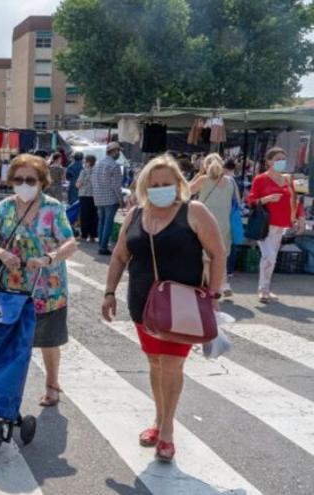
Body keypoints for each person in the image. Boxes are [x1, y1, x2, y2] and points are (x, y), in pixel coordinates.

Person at [102, 154, 225, 463]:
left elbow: (218, 253)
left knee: (171, 366)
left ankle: (167, 430)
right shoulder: (134, 215)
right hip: (143, 304)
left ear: (179, 184)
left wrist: (214, 294)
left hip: (182, 308)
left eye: (166, 184)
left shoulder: (193, 211)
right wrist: (108, 292)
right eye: (153, 184)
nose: (159, 189)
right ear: (144, 186)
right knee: (155, 364)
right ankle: (158, 419)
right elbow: (119, 256)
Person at [0, 154, 77, 408]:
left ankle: (52, 384)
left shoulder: (53, 208)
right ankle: (3, 385)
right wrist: (1, 253)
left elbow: (70, 242)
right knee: (7, 339)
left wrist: (49, 257)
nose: (24, 183)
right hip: (11, 287)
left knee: (48, 341)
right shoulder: (5, 207)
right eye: (19, 179)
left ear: (41, 181)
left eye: (30, 179)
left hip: (48, 288)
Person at [246, 147, 306, 303]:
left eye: (283, 159)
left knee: (272, 258)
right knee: (268, 256)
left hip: (281, 224)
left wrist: (301, 218)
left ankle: (265, 288)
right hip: (264, 224)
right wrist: (268, 198)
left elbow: (297, 200)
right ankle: (263, 289)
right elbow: (251, 201)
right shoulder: (260, 179)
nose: (281, 162)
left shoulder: (289, 179)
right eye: (277, 159)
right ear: (269, 161)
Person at [190, 154, 235, 296]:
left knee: (206, 259)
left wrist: (199, 174)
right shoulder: (230, 181)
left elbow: (185, 191)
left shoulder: (203, 180)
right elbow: (237, 200)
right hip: (224, 224)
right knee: (221, 255)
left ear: (205, 165)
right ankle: (224, 284)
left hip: (206, 223)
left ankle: (210, 288)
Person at [92, 141, 124, 255]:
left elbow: (93, 181)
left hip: (98, 197)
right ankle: (103, 247)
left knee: (101, 222)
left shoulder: (97, 164)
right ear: (114, 151)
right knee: (108, 223)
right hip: (110, 198)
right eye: (118, 151)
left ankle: (101, 244)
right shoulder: (114, 166)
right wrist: (121, 199)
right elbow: (116, 185)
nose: (119, 153)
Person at [76, 155, 99, 242]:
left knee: (85, 215)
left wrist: (79, 183)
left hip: (84, 195)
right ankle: (93, 236)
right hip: (95, 195)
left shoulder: (83, 172)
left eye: (85, 161)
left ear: (88, 163)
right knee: (94, 215)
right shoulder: (98, 171)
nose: (84, 163)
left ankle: (84, 235)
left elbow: (78, 184)